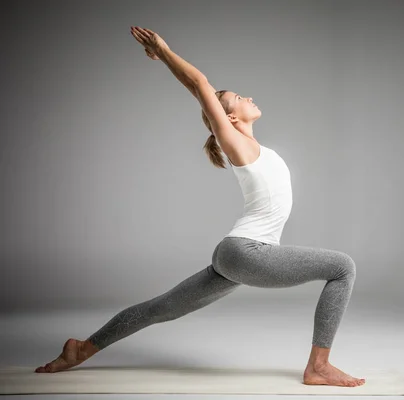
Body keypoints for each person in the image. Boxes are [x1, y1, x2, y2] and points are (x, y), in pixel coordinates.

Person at [35, 26, 365, 388]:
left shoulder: (258, 150)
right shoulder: (236, 144)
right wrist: (163, 50)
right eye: (239, 97)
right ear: (230, 119)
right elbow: (199, 83)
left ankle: (82, 348)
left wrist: (166, 59)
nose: (248, 97)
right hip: (247, 252)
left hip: (235, 256)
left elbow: (200, 88)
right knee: (343, 267)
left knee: (163, 308)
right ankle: (318, 366)